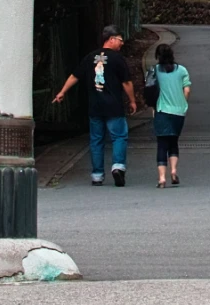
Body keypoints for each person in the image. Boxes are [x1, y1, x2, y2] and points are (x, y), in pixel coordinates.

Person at [52, 26, 138, 187]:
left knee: (96, 140)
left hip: (95, 106)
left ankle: (97, 175)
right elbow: (126, 82)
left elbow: (75, 75)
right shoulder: (118, 59)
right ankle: (118, 166)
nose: (122, 43)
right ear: (111, 39)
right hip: (113, 106)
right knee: (119, 136)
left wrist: (62, 91)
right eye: (120, 40)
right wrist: (132, 100)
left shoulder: (90, 57)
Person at [148, 42, 190, 187]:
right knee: (173, 142)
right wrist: (182, 104)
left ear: (158, 56)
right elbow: (187, 91)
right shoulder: (182, 70)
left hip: (162, 111)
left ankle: (162, 178)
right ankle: (173, 170)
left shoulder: (154, 71)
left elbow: (150, 90)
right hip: (178, 112)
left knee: (162, 144)